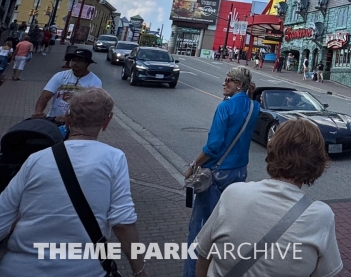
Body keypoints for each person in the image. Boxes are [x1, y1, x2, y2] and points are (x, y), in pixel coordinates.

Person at [0, 89, 148, 277]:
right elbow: (122, 223)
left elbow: (2, 215)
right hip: (83, 270)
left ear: (68, 119)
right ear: (106, 121)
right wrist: (140, 271)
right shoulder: (114, 158)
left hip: (19, 268)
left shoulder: (35, 159)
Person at [194, 118, 343, 277]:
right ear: (317, 162)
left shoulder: (233, 194)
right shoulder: (320, 217)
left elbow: (203, 255)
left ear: (272, 150)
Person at [183, 66, 260, 277]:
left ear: (239, 85)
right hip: (239, 173)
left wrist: (193, 164)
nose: (224, 83)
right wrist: (249, 94)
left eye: (229, 80)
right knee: (229, 226)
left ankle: (192, 273)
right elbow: (250, 105)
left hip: (217, 174)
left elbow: (213, 146)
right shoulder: (255, 107)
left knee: (201, 230)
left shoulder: (224, 108)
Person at [31, 49, 103, 123]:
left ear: (87, 63)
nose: (74, 63)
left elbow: (92, 106)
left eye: (79, 60)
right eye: (73, 60)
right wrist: (38, 112)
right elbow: (45, 96)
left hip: (77, 124)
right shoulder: (60, 76)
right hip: (54, 120)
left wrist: (71, 117)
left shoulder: (95, 81)